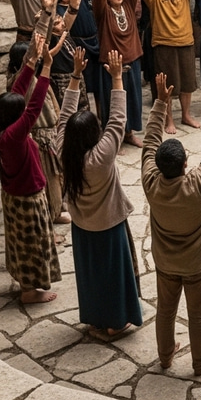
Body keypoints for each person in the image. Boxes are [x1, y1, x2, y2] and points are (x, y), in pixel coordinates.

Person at [142, 73, 201, 375]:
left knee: (165, 310)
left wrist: (160, 104)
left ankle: (165, 356)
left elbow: (149, 143)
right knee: (198, 312)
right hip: (196, 263)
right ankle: (200, 360)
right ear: (185, 164)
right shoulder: (198, 184)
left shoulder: (151, 182)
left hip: (165, 262)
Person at [57, 48, 143, 339]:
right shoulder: (100, 158)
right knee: (113, 275)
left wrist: (75, 76)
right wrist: (117, 78)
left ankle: (95, 319)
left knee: (91, 275)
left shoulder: (63, 152)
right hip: (108, 226)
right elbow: (117, 120)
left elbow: (63, 118)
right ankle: (115, 323)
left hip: (82, 227)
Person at [0, 34, 61, 304]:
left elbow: (18, 92)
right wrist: (46, 68)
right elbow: (33, 107)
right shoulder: (13, 136)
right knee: (31, 246)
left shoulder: (1, 128)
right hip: (27, 200)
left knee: (22, 244)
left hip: (16, 197)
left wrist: (32, 62)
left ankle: (26, 286)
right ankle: (30, 292)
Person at [141, 0, 201, 133]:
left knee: (187, 84)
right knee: (166, 85)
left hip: (186, 44)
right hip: (164, 47)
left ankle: (186, 115)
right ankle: (168, 120)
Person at [93, 0, 145, 146]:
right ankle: (115, 139)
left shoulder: (128, 6)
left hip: (132, 61)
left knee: (132, 100)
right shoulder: (103, 12)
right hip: (112, 66)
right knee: (114, 102)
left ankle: (129, 134)